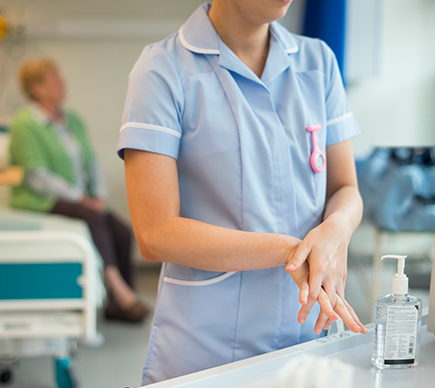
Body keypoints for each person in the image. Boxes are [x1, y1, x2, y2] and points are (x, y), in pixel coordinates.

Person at [118, 0, 368, 384]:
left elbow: (345, 188)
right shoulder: (162, 69)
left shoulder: (318, 61)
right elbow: (155, 233)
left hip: (308, 339)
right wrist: (290, 252)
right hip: (206, 352)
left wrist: (337, 228)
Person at [9, 58, 149, 323]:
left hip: (81, 197)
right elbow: (38, 177)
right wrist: (83, 199)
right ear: (37, 88)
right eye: (54, 78)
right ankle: (119, 291)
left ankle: (118, 303)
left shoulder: (71, 120)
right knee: (93, 217)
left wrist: (99, 195)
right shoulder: (25, 124)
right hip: (41, 199)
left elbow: (91, 162)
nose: (63, 82)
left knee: (121, 231)